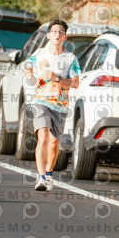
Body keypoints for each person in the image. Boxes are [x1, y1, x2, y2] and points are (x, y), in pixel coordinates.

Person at [23, 20, 80, 191]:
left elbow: (75, 83)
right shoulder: (40, 54)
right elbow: (28, 68)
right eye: (54, 31)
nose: (57, 34)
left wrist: (58, 78)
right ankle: (41, 177)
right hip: (40, 101)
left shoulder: (70, 58)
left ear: (65, 37)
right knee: (43, 136)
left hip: (60, 105)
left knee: (54, 143)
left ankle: (49, 173)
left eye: (61, 32)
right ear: (48, 35)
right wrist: (30, 76)